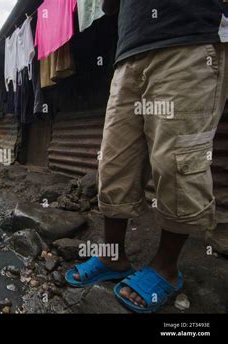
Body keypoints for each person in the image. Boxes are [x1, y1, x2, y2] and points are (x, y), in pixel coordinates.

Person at [65, 0, 228, 313]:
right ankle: (114, 255)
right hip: (128, 54)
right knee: (113, 163)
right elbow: (110, 6)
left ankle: (166, 268)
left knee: (178, 163)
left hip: (190, 39)